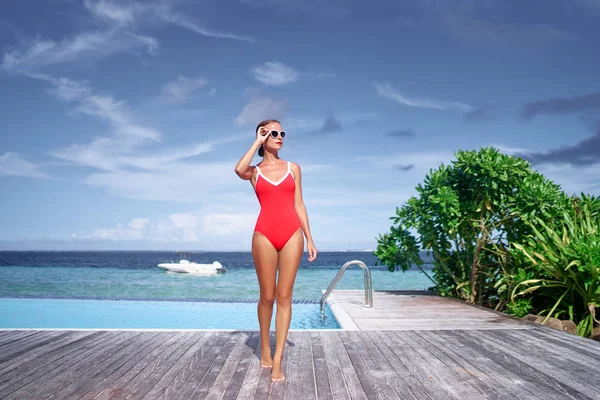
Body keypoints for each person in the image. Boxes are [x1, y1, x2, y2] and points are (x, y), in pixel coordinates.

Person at [234, 119, 317, 382]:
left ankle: (278, 358)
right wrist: (257, 142)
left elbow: (300, 205)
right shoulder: (254, 172)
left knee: (285, 297)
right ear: (262, 136)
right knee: (266, 297)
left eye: (282, 132)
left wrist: (310, 238)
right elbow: (238, 169)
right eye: (274, 133)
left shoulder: (294, 168)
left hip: (292, 234)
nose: (280, 136)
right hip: (264, 235)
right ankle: (265, 347)